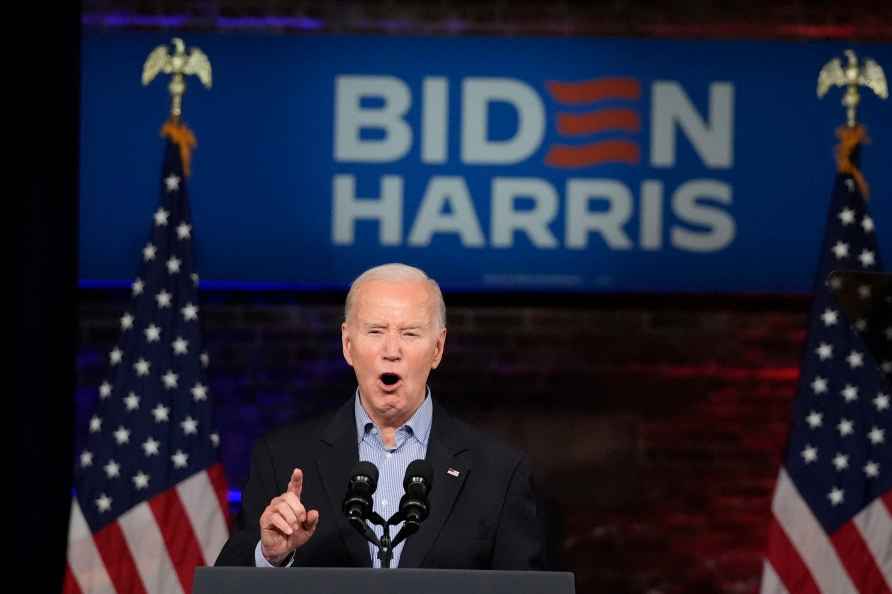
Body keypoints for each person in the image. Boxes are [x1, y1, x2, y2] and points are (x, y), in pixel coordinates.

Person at [215, 263, 541, 569]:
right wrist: (270, 556)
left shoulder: (499, 472)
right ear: (347, 345)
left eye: (410, 333)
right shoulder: (281, 457)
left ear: (437, 349)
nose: (391, 350)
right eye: (375, 331)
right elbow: (228, 579)